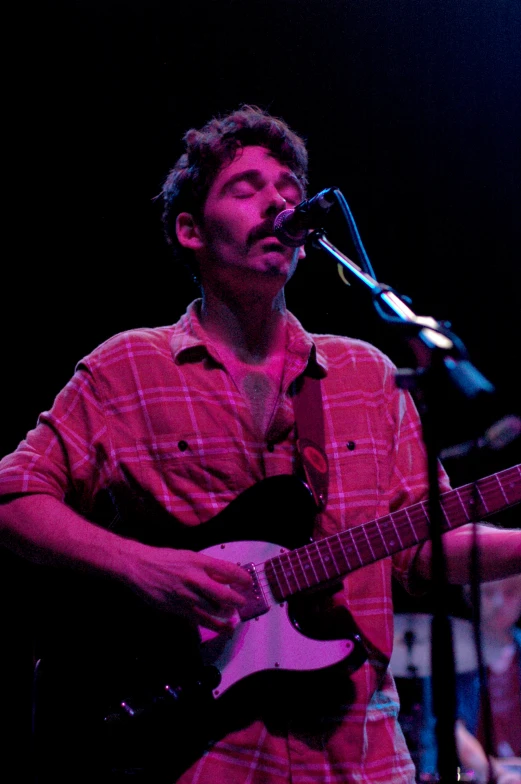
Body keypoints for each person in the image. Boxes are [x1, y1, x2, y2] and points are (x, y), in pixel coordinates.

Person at [0, 104, 520, 784]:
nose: (277, 201)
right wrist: (144, 568)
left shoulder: (367, 373)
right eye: (245, 188)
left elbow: (418, 546)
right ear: (189, 230)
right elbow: (13, 495)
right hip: (193, 749)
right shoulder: (128, 367)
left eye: (287, 189)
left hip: (361, 749)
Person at [419, 575, 521, 784]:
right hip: (473, 775)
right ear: (470, 596)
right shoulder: (451, 655)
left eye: (510, 592)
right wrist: (493, 773)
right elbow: (449, 726)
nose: (499, 602)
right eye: (488, 593)